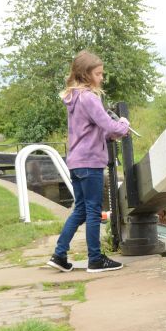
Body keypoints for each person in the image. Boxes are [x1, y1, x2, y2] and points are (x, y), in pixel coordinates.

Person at [47, 51, 129, 273]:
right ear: (86, 74)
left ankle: (59, 254)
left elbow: (91, 132)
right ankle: (95, 259)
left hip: (76, 161)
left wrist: (110, 134)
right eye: (99, 74)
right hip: (90, 163)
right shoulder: (89, 98)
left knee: (80, 210)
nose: (102, 78)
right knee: (93, 211)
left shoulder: (73, 98)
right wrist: (123, 124)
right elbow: (110, 125)